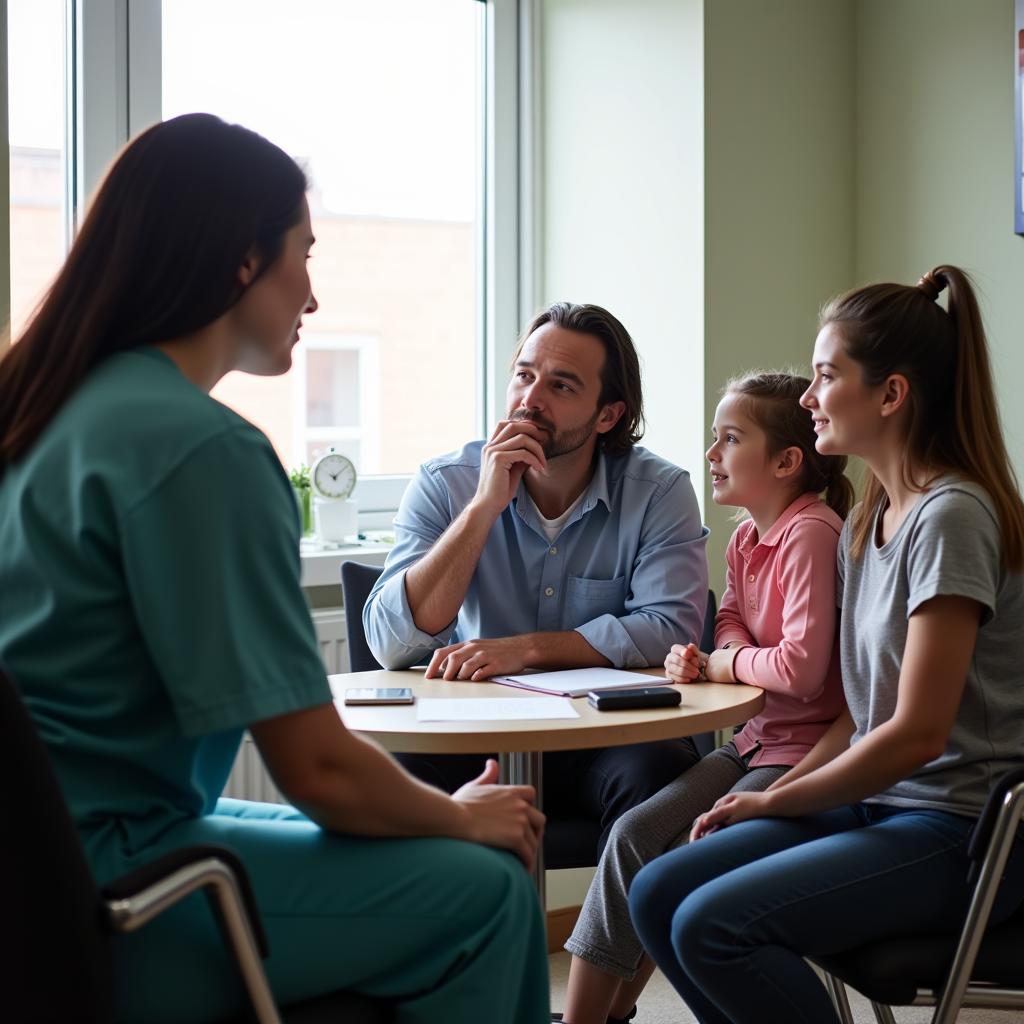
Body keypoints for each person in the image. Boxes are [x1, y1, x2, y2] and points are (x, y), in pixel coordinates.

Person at [0, 113, 549, 1024]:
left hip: (42, 874)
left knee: (436, 845)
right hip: (111, 890)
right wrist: (457, 819)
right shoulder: (198, 450)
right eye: (304, 253)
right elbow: (320, 771)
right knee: (486, 888)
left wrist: (434, 811)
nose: (313, 294)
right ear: (240, 262)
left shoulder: (45, 411)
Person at [628, 266, 1024, 1024]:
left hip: (960, 829)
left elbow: (916, 735)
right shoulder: (868, 524)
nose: (808, 397)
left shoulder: (951, 518)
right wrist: (770, 796)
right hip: (880, 803)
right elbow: (859, 718)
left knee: (712, 925)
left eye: (825, 375)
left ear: (891, 394)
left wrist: (777, 798)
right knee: (657, 890)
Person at [555, 372, 851, 1024]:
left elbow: (801, 669)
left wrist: (724, 663)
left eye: (729, 439)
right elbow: (729, 621)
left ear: (786, 461)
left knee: (680, 857)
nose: (712, 454)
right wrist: (722, 655)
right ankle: (601, 1015)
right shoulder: (747, 536)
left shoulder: (811, 534)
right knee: (635, 835)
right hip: (753, 742)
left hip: (806, 752)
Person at [363, 301, 709, 855]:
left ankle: (612, 944)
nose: (530, 399)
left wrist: (524, 650)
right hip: (472, 735)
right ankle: (452, 942)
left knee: (660, 775)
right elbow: (389, 642)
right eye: (524, 376)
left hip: (608, 737)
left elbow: (669, 627)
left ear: (608, 415)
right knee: (386, 777)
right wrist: (481, 508)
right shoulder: (445, 482)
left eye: (561, 385)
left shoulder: (659, 493)